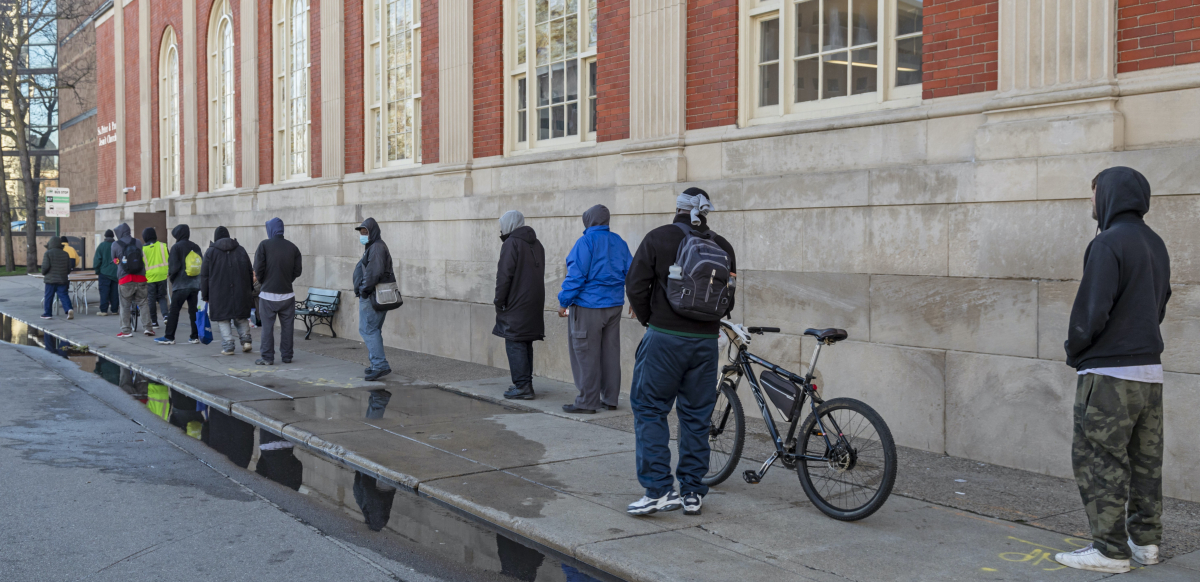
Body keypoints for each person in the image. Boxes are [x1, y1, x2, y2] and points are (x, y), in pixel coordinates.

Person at [1054, 167, 1172, 574]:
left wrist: (1075, 350)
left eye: (1093, 194)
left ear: (1108, 196)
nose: (1091, 203)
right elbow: (1159, 305)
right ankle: (1145, 544)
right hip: (1149, 374)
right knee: (1145, 463)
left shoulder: (1107, 243)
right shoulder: (1155, 243)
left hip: (1109, 376)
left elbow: (1091, 311)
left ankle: (1109, 551)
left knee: (1099, 461)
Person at [624, 187, 735, 517]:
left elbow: (635, 286)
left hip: (665, 338)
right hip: (705, 343)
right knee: (697, 416)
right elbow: (729, 299)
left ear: (677, 209)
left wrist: (650, 320)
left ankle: (659, 490)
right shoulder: (724, 246)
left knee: (650, 408)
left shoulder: (659, 237)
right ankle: (692, 492)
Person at [557, 205, 632, 414]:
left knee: (585, 354)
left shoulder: (585, 242)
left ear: (588, 221)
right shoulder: (619, 241)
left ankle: (587, 402)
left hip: (588, 306)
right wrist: (634, 300)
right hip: (614, 306)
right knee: (610, 353)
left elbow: (575, 276)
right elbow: (632, 273)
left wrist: (563, 302)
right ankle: (610, 399)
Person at [492, 210, 545, 400]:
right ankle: (525, 384)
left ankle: (523, 386)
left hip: (516, 302)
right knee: (525, 341)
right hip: (534, 302)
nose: (500, 229)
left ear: (509, 225)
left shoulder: (511, 243)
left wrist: (499, 301)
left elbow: (504, 277)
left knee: (514, 342)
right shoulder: (537, 244)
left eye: (502, 226)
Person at [253, 217, 303, 365]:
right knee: (287, 328)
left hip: (268, 295)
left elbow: (258, 269)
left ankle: (267, 357)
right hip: (287, 294)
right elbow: (297, 271)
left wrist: (264, 282)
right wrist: (287, 280)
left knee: (267, 328)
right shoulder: (293, 247)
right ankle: (287, 356)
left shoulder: (264, 245)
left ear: (270, 229)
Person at [200, 226, 254, 356]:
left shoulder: (210, 252)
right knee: (240, 317)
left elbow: (204, 276)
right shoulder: (240, 250)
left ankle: (228, 345)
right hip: (241, 290)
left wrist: (205, 294)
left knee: (223, 319)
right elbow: (249, 271)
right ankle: (246, 341)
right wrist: (249, 289)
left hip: (218, 292)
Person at [353, 218, 394, 381]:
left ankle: (380, 365)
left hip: (371, 296)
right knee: (373, 330)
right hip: (373, 295)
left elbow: (373, 273)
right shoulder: (373, 246)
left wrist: (364, 290)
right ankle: (375, 364)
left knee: (368, 330)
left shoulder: (376, 247)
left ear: (373, 232)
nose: (363, 235)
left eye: (365, 232)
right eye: (361, 232)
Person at [156, 224, 203, 345]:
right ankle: (195, 336)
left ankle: (169, 336)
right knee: (193, 311)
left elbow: (174, 267)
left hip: (181, 285)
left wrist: (172, 278)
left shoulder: (176, 247)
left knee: (174, 311)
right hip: (195, 284)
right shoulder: (195, 246)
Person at [110, 223, 151, 338]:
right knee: (143, 303)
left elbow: (114, 259)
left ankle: (126, 330)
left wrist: (117, 261)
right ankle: (148, 328)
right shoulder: (138, 242)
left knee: (124, 305)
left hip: (125, 278)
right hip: (141, 277)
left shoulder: (115, 244)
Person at [40, 236, 74, 320]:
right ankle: (68, 309)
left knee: (49, 296)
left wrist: (43, 272)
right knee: (64, 295)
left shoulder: (48, 253)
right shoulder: (65, 254)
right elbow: (69, 268)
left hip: (50, 279)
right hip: (62, 279)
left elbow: (45, 267)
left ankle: (47, 313)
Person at [142, 227, 170, 329]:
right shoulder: (163, 246)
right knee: (162, 296)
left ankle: (154, 322)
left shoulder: (143, 249)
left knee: (151, 299)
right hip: (162, 275)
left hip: (149, 277)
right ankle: (166, 316)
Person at [93, 229, 119, 315]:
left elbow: (97, 260)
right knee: (114, 292)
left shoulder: (101, 246)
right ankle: (115, 310)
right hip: (116, 273)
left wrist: (97, 271)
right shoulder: (117, 245)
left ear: (105, 236)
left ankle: (103, 310)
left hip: (104, 273)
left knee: (104, 292)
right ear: (113, 236)